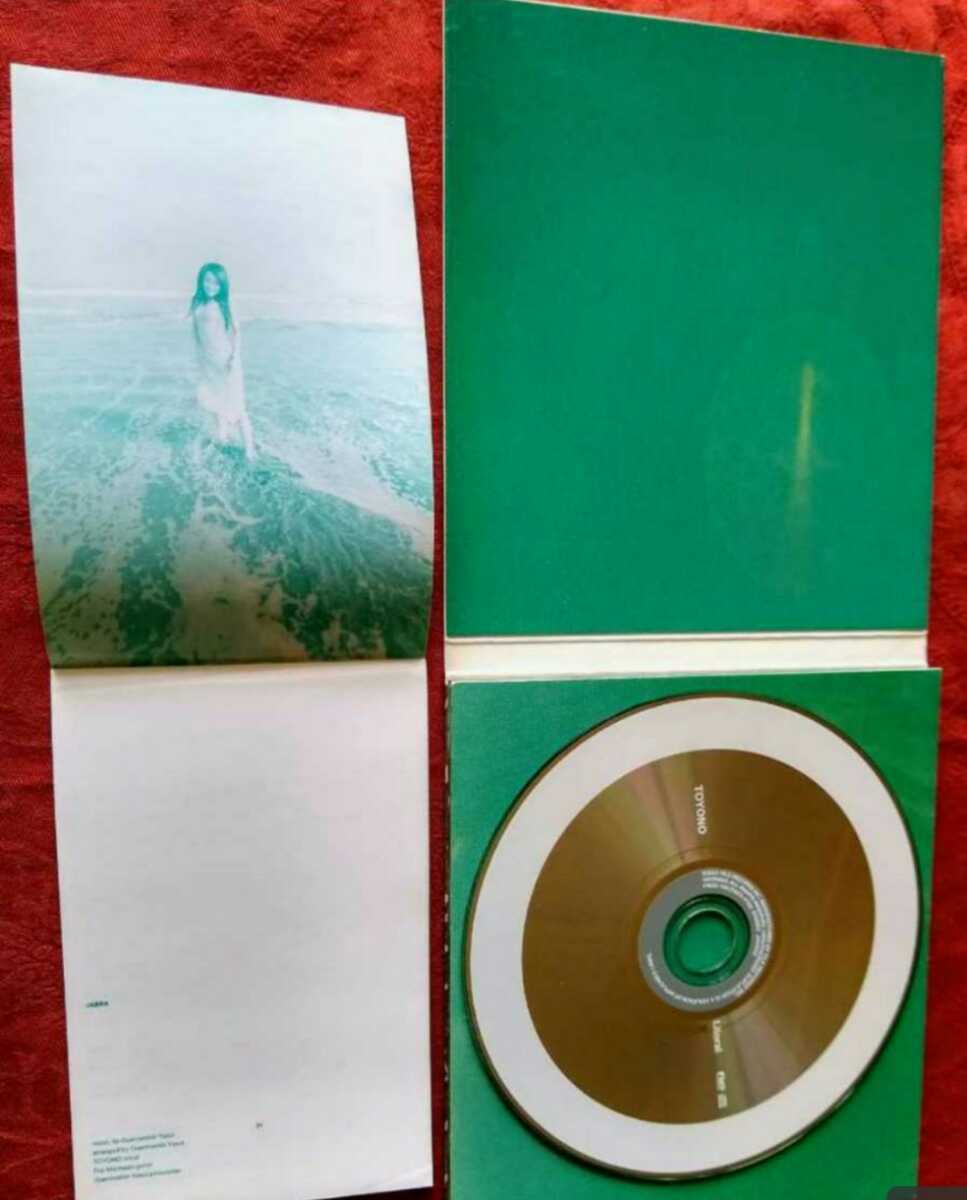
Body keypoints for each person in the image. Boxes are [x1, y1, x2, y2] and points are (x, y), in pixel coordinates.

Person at [189, 262, 256, 461]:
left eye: (216, 283)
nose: (211, 286)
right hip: (207, 363)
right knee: (213, 398)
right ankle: (223, 436)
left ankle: (250, 450)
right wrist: (198, 360)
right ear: (201, 280)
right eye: (208, 281)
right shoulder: (197, 302)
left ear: (222, 285)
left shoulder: (225, 304)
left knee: (238, 405)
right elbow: (196, 333)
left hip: (226, 362)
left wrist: (234, 359)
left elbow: (236, 332)